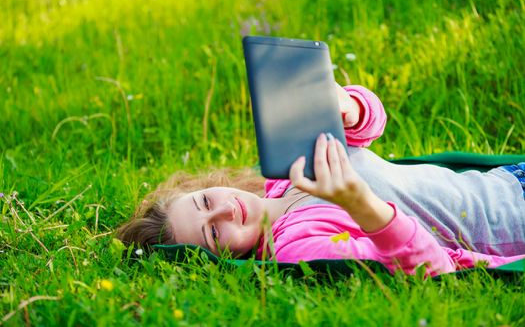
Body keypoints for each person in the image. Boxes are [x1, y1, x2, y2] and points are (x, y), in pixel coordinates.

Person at [117, 84, 525, 277]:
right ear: (226, 259)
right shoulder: (299, 244)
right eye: (214, 234)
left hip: (508, 179)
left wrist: (349, 105)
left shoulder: (283, 172)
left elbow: (365, 133)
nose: (226, 209)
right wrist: (362, 205)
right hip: (513, 219)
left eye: (206, 202)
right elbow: (424, 267)